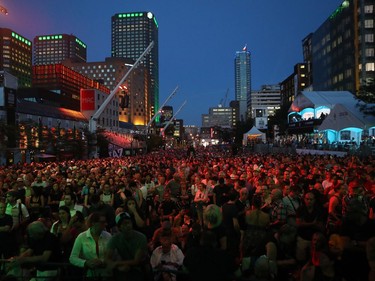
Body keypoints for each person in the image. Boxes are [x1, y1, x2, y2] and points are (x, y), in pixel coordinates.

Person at [105, 212, 149, 281]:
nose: (128, 225)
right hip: (122, 268)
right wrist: (118, 266)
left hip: (139, 268)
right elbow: (107, 258)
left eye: (129, 223)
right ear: (119, 227)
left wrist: (117, 263)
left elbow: (136, 261)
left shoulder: (141, 237)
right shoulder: (115, 238)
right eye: (124, 224)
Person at [69, 212, 112, 279]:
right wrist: (86, 263)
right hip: (89, 275)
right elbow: (72, 258)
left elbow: (113, 255)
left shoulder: (108, 236)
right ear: (93, 223)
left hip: (106, 275)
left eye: (105, 222)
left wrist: (102, 262)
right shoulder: (82, 237)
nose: (106, 224)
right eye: (102, 222)